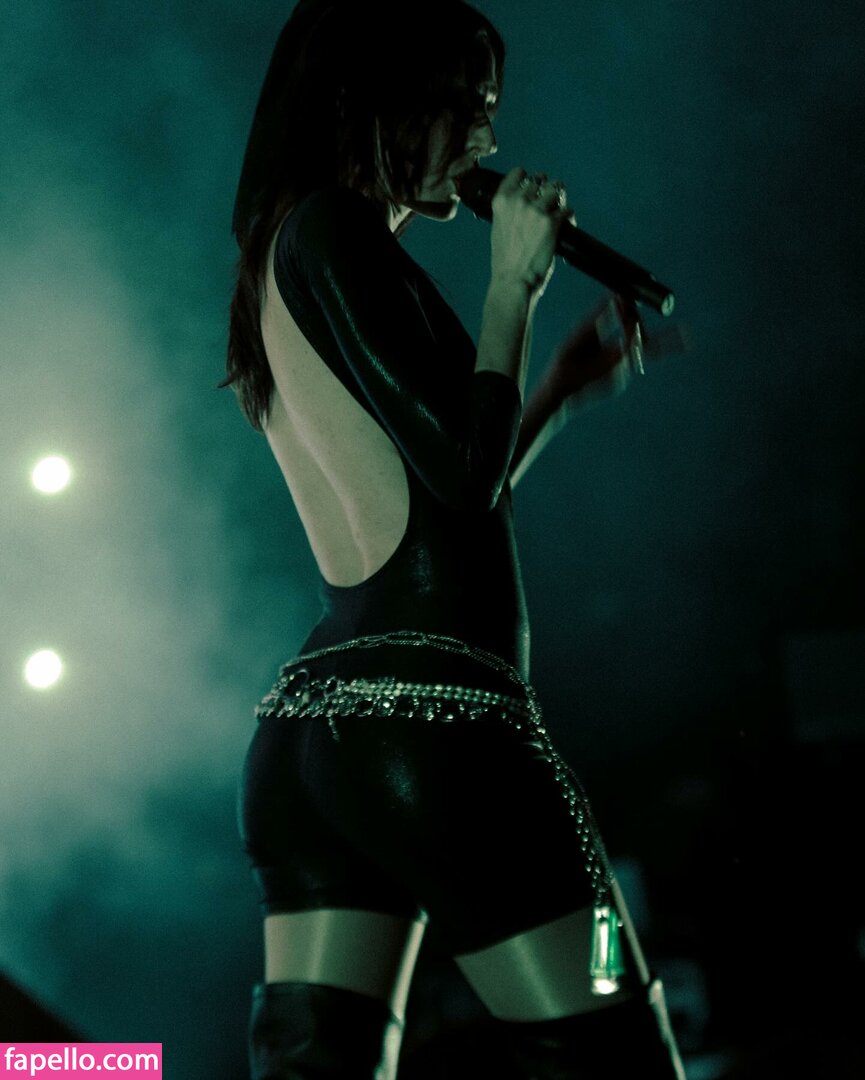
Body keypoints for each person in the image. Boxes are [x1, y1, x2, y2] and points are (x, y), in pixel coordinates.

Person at [224, 1, 687, 1076]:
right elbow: (464, 477)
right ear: (377, 105)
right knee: (613, 1037)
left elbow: (437, 503)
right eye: (467, 107)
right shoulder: (333, 229)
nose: (487, 138)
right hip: (441, 742)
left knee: (317, 1063)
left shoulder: (291, 247)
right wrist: (512, 284)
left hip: (319, 745)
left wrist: (553, 394)